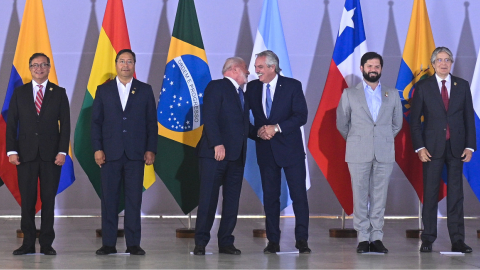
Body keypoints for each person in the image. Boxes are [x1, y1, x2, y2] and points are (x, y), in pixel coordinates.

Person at [91, 49, 157, 255]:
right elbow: (95, 123)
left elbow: (151, 124)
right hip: (109, 154)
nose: (125, 65)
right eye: (122, 61)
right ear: (116, 64)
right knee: (109, 200)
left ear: (134, 65)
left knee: (133, 200)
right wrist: (97, 149)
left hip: (136, 154)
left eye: (129, 61)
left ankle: (133, 244)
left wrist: (150, 149)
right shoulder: (104, 90)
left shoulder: (145, 90)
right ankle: (108, 244)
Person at [410, 47, 476, 253]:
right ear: (433, 63)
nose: (444, 63)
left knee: (456, 195)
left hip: (457, 148)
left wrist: (470, 146)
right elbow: (414, 121)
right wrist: (419, 147)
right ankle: (428, 237)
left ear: (451, 63)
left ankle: (457, 239)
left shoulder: (462, 86)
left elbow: (468, 119)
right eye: (439, 60)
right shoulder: (423, 87)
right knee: (430, 193)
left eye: (447, 59)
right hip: (431, 148)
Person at [336, 52, 403, 253]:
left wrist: (381, 138)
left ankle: (377, 237)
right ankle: (363, 237)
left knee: (379, 196)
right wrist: (359, 139)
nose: (373, 69)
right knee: (359, 195)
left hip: (384, 151)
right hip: (358, 152)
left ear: (381, 69)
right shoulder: (350, 94)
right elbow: (342, 124)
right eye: (369, 66)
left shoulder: (391, 93)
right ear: (362, 68)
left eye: (377, 66)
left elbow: (396, 124)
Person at [245, 50, 310, 254]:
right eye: (256, 67)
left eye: (260, 67)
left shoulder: (292, 86)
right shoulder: (253, 87)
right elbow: (242, 116)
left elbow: (301, 116)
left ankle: (302, 240)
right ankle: (273, 240)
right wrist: (258, 132)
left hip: (291, 151)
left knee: (299, 196)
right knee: (270, 198)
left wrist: (277, 128)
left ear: (272, 67)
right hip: (266, 151)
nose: (256, 71)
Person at [6, 53, 70, 255]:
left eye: (43, 65)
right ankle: (27, 244)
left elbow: (65, 125)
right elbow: (12, 125)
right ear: (30, 68)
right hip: (25, 155)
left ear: (49, 67)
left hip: (52, 156)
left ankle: (46, 244)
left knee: (49, 200)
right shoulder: (20, 93)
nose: (39, 68)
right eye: (35, 65)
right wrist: (12, 150)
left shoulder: (59, 92)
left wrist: (62, 151)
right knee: (27, 200)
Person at [193, 57, 250, 255]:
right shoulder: (217, 86)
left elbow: (242, 127)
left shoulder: (242, 94)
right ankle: (200, 242)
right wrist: (217, 143)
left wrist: (263, 132)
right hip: (214, 155)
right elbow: (209, 116)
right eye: (245, 68)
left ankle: (226, 242)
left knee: (232, 202)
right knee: (208, 199)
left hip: (236, 157)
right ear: (234, 69)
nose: (249, 72)